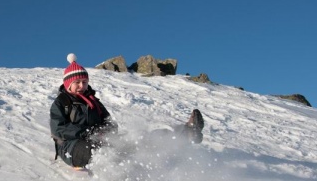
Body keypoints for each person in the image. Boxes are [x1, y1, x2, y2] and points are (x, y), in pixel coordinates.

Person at [50, 53, 204, 168]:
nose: (81, 86)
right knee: (99, 151)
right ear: (68, 84)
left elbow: (109, 122)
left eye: (84, 82)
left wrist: (105, 132)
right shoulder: (62, 102)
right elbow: (59, 129)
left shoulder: (94, 102)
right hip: (72, 147)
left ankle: (184, 133)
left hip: (98, 140)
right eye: (77, 82)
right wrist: (87, 133)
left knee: (138, 141)